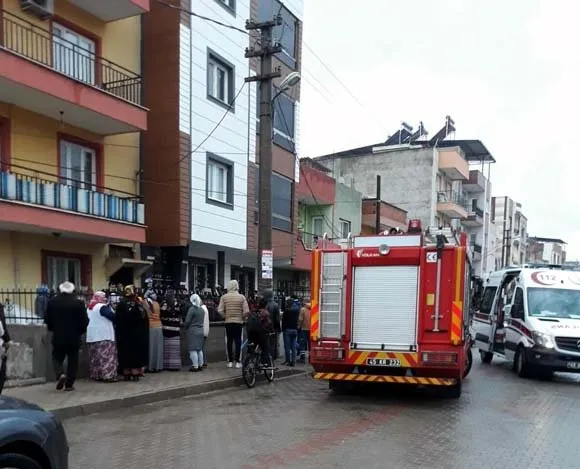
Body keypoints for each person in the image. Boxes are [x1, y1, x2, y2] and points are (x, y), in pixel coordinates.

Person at [44, 281, 89, 391]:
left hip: (58, 336)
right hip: (74, 337)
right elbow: (85, 321)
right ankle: (69, 384)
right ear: (72, 291)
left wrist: (53, 328)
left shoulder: (52, 302)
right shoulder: (79, 303)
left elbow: (47, 319)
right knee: (73, 360)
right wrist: (79, 332)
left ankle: (60, 374)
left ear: (60, 290)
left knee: (56, 357)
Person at [115, 285, 149, 381]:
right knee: (135, 354)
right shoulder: (138, 305)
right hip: (136, 335)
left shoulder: (120, 305)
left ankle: (126, 373)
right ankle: (135, 373)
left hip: (123, 335)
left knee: (125, 353)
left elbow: (117, 319)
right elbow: (144, 319)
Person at [86, 291, 118, 382]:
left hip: (92, 336)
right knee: (106, 357)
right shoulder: (101, 307)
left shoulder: (89, 307)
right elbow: (112, 316)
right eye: (104, 297)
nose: (105, 299)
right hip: (104, 335)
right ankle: (107, 376)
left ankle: (96, 375)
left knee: (95, 358)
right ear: (99, 298)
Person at [217, 280, 249, 368]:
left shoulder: (224, 297)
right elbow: (246, 311)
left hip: (228, 322)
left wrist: (225, 316)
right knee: (238, 341)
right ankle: (238, 361)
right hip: (238, 322)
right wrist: (241, 317)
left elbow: (219, 310)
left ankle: (230, 361)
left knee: (229, 342)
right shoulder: (242, 297)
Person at [245, 296, 274, 367]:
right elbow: (269, 323)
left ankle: (248, 361)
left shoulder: (252, 311)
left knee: (251, 346)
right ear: (265, 305)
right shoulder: (265, 313)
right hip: (261, 334)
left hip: (251, 332)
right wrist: (271, 331)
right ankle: (264, 362)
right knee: (265, 347)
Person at [160, 291, 183, 371]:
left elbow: (161, 314)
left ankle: (166, 365)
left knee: (166, 350)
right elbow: (180, 314)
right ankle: (175, 366)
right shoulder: (177, 304)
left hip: (165, 330)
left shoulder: (163, 304)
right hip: (175, 330)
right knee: (174, 350)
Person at [185, 294, 207, 372]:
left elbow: (187, 321)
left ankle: (195, 366)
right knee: (199, 349)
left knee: (192, 349)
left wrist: (186, 327)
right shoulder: (202, 310)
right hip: (201, 330)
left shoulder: (192, 309)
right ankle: (200, 365)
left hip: (193, 331)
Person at [145, 293, 164, 373]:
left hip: (150, 326)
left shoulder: (145, 303)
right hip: (159, 326)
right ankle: (158, 366)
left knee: (151, 347)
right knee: (158, 347)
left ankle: (150, 367)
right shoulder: (157, 304)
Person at [262, 289, 281, 360]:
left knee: (265, 343)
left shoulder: (264, 304)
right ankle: (272, 357)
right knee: (273, 344)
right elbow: (277, 319)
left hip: (264, 327)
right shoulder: (275, 305)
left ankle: (265, 357)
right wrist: (278, 328)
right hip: (273, 328)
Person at [282, 298, 300, 367]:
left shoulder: (286, 311)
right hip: (294, 330)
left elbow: (283, 321)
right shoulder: (296, 311)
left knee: (287, 346)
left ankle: (287, 361)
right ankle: (293, 361)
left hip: (287, 330)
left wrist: (283, 329)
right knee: (293, 347)